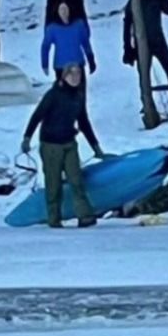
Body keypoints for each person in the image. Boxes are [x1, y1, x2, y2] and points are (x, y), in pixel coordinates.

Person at [21, 64, 105, 229]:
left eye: (78, 74)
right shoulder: (53, 95)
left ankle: (85, 216)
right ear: (63, 76)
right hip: (51, 145)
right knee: (54, 184)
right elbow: (37, 116)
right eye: (71, 74)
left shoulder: (78, 96)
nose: (75, 77)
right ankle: (54, 218)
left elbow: (84, 122)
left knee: (76, 180)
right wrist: (27, 138)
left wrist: (96, 146)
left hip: (69, 143)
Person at [41, 2, 96, 90]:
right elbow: (45, 46)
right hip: (61, 67)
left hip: (78, 64)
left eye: (65, 9)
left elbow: (85, 42)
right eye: (61, 9)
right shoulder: (52, 28)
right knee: (64, 96)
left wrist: (91, 59)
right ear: (57, 11)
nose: (64, 12)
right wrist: (45, 64)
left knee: (80, 94)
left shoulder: (78, 24)